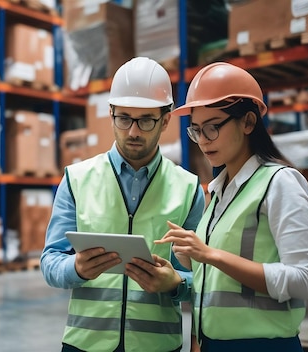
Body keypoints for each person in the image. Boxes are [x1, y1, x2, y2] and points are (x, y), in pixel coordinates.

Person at [40, 57, 206, 352]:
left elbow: (203, 279)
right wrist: (76, 268)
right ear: (111, 113)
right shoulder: (76, 180)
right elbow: (50, 262)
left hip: (156, 346)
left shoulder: (188, 189)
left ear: (166, 119)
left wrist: (176, 283)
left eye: (145, 120)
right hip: (85, 345)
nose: (133, 131)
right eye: (124, 118)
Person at [155, 62, 308, 352]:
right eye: (196, 130)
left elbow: (302, 280)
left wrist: (210, 254)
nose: (203, 140)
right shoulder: (220, 192)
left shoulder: (280, 183)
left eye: (213, 127)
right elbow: (223, 278)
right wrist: (190, 258)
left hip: (263, 345)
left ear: (248, 122)